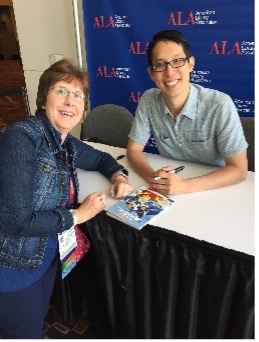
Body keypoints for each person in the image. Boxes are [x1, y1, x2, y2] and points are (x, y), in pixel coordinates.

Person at [0, 58, 133, 339]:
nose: (70, 101)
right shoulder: (21, 139)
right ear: (43, 97)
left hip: (45, 250)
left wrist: (119, 175)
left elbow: (100, 158)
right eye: (61, 91)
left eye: (78, 95)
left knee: (35, 318)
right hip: (12, 262)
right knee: (21, 332)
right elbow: (16, 222)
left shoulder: (64, 141)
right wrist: (80, 215)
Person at [126, 30, 248, 195]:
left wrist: (185, 186)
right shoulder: (148, 100)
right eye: (160, 65)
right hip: (171, 188)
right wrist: (155, 179)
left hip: (213, 187)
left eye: (177, 61)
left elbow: (239, 170)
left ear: (191, 64)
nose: (170, 72)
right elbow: (133, 150)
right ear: (151, 73)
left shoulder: (219, 105)